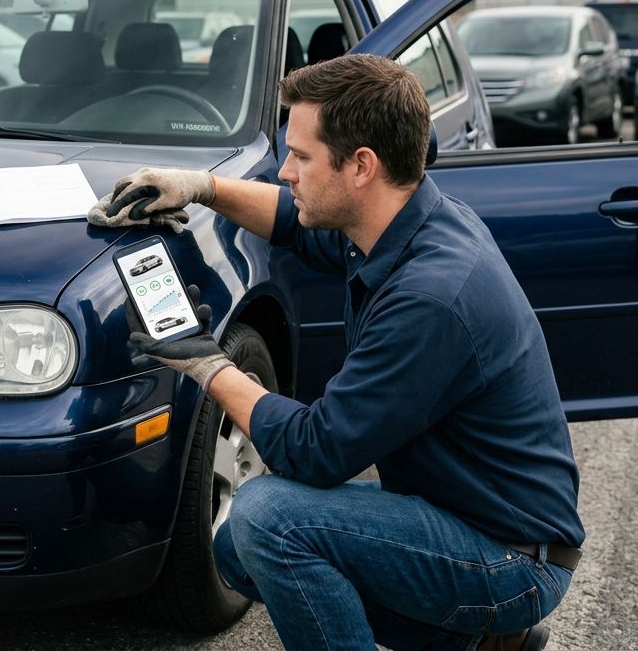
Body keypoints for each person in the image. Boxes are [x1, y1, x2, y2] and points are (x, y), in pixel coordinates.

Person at [89, 54, 583, 651]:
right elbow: (294, 223)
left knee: (268, 519)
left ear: (361, 167)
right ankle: (476, 642)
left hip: (509, 557)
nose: (286, 173)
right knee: (236, 552)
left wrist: (206, 363)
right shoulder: (404, 221)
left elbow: (314, 452)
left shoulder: (432, 296)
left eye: (300, 156)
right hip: (461, 511)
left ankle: (487, 622)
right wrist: (201, 187)